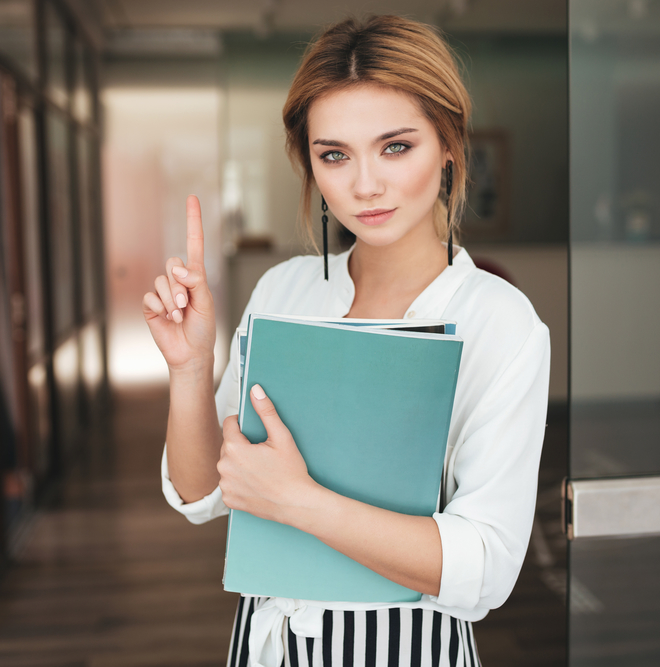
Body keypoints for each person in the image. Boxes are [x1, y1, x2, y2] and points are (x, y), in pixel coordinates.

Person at [142, 15, 550, 667]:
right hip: (266, 644)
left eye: (395, 146)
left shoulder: (498, 321)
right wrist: (189, 367)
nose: (364, 185)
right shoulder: (285, 290)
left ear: (448, 144)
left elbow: (487, 565)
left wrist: (300, 502)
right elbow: (202, 494)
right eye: (334, 154)